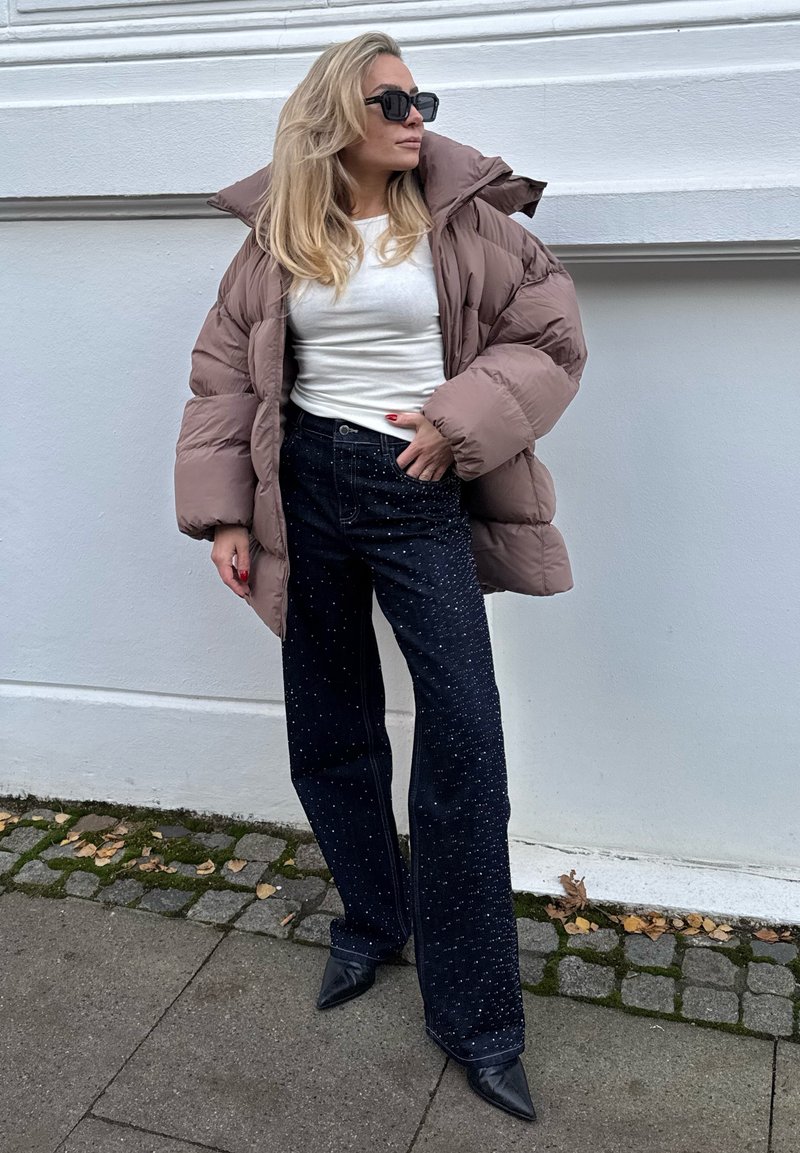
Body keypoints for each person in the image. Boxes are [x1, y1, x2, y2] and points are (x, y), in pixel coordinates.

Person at [174, 30, 588, 1124]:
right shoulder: (277, 237)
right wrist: (224, 514)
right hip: (302, 489)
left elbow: (549, 342)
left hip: (416, 495)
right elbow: (223, 372)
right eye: (392, 101)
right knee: (331, 719)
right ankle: (369, 922)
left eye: (421, 98)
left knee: (461, 734)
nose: (416, 116)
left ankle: (478, 1020)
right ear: (332, 120)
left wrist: (458, 425)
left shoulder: (467, 225)